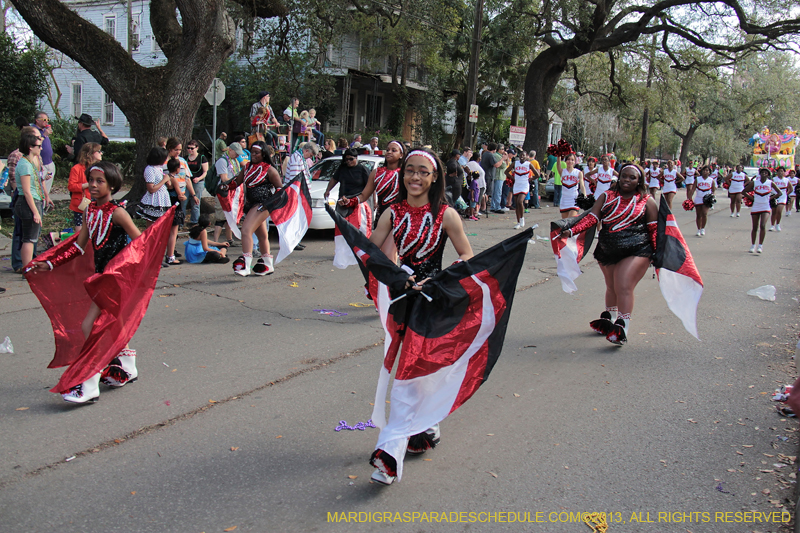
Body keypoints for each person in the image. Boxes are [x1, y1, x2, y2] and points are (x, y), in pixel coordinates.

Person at [367, 147, 474, 485]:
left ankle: (389, 455)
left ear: (434, 177)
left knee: (415, 368)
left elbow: (467, 256)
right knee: (407, 369)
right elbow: (370, 252)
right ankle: (425, 421)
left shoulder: (446, 214)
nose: (415, 177)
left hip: (432, 298)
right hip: (403, 297)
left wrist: (437, 280)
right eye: (410, 170)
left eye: (423, 172)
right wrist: (395, 274)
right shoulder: (391, 212)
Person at [29, 161, 145, 403]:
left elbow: (142, 244)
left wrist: (124, 268)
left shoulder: (118, 213)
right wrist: (50, 263)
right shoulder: (89, 211)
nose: (92, 185)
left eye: (99, 181)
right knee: (114, 325)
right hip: (101, 278)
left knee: (90, 326)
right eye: (90, 180)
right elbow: (78, 247)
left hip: (116, 279)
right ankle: (128, 366)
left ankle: (90, 383)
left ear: (112, 185)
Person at [559, 163, 657, 345]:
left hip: (637, 249)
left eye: (632, 177)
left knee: (623, 284)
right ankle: (610, 317)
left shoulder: (647, 201)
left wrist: (658, 252)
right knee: (611, 286)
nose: (627, 180)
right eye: (624, 176)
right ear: (618, 177)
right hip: (607, 248)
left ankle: (622, 326)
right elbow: (592, 218)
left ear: (639, 181)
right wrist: (570, 231)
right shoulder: (607, 196)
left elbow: (654, 229)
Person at [226, 142, 285, 276]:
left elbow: (280, 190)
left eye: (256, 153)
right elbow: (236, 182)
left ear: (263, 154)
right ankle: (268, 264)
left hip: (263, 204)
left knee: (246, 230)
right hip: (251, 204)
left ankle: (246, 265)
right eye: (252, 152)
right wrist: (225, 187)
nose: (253, 155)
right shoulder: (247, 167)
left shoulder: (269, 169)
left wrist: (270, 204)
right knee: (262, 235)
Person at [324, 149, 375, 268]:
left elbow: (371, 187)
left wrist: (375, 201)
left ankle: (362, 250)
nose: (348, 162)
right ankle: (344, 251)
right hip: (343, 202)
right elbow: (334, 180)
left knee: (359, 228)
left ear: (356, 158)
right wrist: (328, 190)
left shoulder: (363, 170)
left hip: (358, 202)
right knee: (342, 228)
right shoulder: (342, 169)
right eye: (346, 159)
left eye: (351, 159)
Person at [15, 132, 54, 269]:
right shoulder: (25, 164)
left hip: (34, 201)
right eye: (38, 146)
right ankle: (27, 268)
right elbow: (26, 191)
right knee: (29, 238)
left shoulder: (31, 162)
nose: (41, 148)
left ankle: (28, 266)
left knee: (31, 237)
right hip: (28, 203)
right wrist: (35, 212)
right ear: (30, 147)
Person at [743, 168, 781, 253]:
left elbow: (779, 193)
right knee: (755, 227)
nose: (764, 174)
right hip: (756, 206)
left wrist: (770, 198)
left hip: (766, 206)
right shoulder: (754, 182)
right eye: (762, 172)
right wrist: (752, 198)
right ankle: (753, 245)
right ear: (760, 174)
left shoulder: (770, 183)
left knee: (763, 225)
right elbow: (744, 191)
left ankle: (760, 245)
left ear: (768, 174)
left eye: (765, 173)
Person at [68, 143, 102, 234]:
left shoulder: (99, 168)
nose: (101, 153)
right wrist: (87, 184)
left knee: (96, 227)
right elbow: (71, 186)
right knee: (80, 230)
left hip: (97, 201)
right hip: (82, 203)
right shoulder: (77, 168)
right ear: (90, 154)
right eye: (98, 151)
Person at [213, 144, 244, 244]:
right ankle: (216, 241)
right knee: (221, 217)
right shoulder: (222, 161)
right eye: (236, 153)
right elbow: (224, 178)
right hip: (223, 192)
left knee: (230, 216)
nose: (237, 156)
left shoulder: (234, 160)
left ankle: (229, 239)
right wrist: (236, 181)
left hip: (233, 191)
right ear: (230, 150)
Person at [372, 140, 406, 226]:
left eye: (393, 150)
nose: (389, 152)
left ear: (401, 155)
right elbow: (364, 195)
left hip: (398, 218)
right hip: (381, 217)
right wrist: (350, 201)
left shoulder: (405, 174)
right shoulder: (377, 172)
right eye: (387, 150)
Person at [185, 140, 209, 226]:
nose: (190, 150)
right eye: (188, 148)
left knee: (195, 202)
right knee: (184, 200)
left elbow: (205, 171)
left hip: (198, 182)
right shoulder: (185, 158)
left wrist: (199, 178)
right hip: (187, 182)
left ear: (197, 148)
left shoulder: (202, 158)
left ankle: (194, 221)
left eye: (192, 148)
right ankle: (181, 220)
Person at [556, 153, 586, 218]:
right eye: (568, 159)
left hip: (574, 199)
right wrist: (559, 154)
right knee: (565, 223)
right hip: (564, 200)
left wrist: (585, 196)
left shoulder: (578, 172)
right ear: (565, 161)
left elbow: (582, 186)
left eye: (572, 160)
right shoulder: (562, 171)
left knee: (571, 220)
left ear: (575, 161)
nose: (570, 161)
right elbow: (558, 164)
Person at [506, 151, 532, 228]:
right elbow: (506, 171)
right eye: (520, 155)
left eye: (523, 155)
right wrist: (513, 178)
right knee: (516, 203)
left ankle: (522, 218)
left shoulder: (528, 164)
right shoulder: (515, 163)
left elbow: (536, 174)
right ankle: (518, 222)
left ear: (526, 156)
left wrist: (529, 179)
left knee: (520, 201)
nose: (522, 157)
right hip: (517, 185)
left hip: (524, 185)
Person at [32, 111, 56, 195]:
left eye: (48, 119)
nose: (47, 121)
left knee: (47, 188)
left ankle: (46, 203)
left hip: (49, 163)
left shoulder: (44, 130)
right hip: (41, 164)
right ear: (37, 120)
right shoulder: (34, 130)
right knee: (41, 188)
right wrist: (44, 135)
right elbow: (34, 144)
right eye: (44, 119)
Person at [693, 166, 716, 237]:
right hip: (698, 198)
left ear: (709, 172)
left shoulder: (711, 180)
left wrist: (712, 197)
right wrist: (689, 198)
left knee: (704, 213)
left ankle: (703, 228)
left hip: (706, 199)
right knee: (698, 215)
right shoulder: (698, 179)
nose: (705, 172)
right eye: (704, 170)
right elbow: (693, 189)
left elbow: (713, 190)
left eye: (707, 170)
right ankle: (698, 229)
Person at [479, 142, 500, 214]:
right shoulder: (491, 155)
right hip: (489, 175)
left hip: (485, 174)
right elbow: (496, 165)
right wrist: (502, 159)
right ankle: (484, 208)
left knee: (485, 191)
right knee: (487, 192)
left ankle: (483, 207)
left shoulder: (484, 154)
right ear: (494, 149)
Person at [770, 167, 789, 232]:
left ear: (784, 172)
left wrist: (786, 194)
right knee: (774, 212)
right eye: (779, 171)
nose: (780, 172)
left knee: (779, 211)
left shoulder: (786, 180)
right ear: (777, 172)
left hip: (782, 197)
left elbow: (791, 188)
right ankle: (772, 225)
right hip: (775, 197)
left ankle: (777, 224)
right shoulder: (774, 179)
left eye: (782, 171)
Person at [466, 152, 485, 219]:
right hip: (475, 191)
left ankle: (473, 213)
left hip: (476, 188)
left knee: (474, 203)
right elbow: (472, 190)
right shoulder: (474, 182)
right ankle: (473, 214)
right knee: (474, 204)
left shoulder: (472, 164)